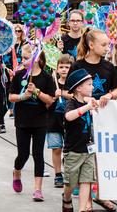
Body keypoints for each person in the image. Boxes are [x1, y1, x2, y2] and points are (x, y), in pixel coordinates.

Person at [68, 29, 117, 211]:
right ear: (91, 45)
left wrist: (108, 95)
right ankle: (84, 199)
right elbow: (68, 91)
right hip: (83, 120)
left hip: (104, 118)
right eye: (103, 44)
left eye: (108, 44)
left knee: (101, 158)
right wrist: (85, 102)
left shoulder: (108, 67)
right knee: (85, 158)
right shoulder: (78, 66)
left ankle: (102, 195)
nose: (107, 48)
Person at [8, 44, 56, 202]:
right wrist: (23, 97)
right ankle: (17, 171)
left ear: (36, 59)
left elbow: (49, 101)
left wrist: (36, 92)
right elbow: (11, 97)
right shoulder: (19, 75)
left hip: (40, 121)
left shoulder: (47, 78)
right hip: (22, 121)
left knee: (38, 154)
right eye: (22, 57)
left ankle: (37, 189)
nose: (22, 60)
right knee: (22, 154)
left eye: (26, 58)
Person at [62, 68, 102, 212]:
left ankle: (82, 209)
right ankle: (66, 198)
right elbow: (69, 116)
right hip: (73, 151)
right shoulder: (71, 103)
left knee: (87, 180)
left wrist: (94, 109)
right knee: (70, 184)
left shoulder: (89, 103)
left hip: (88, 150)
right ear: (79, 88)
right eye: (89, 84)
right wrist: (87, 107)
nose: (93, 87)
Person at [48, 54, 73, 188]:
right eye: (61, 67)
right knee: (56, 148)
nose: (64, 70)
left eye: (67, 67)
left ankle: (70, 174)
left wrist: (62, 93)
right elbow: (48, 98)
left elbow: (75, 96)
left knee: (69, 150)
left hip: (70, 120)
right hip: (53, 119)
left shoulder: (73, 83)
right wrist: (53, 96)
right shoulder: (53, 82)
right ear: (56, 69)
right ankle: (58, 174)